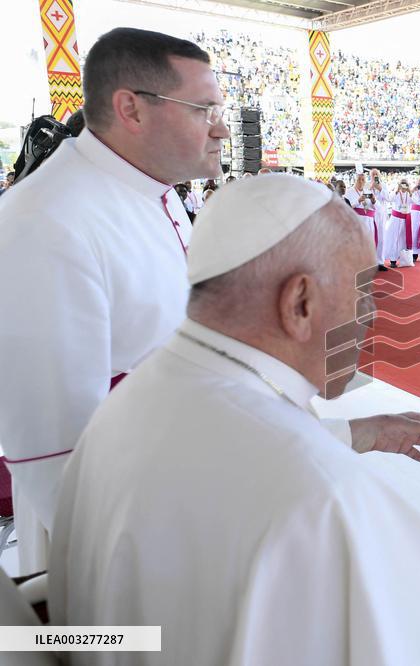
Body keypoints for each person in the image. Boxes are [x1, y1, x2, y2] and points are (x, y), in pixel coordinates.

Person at [49, 174, 420, 665]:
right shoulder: (319, 492)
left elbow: (221, 455)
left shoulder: (142, 390)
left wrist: (358, 431)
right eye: (363, 293)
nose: (373, 315)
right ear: (300, 302)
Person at [0, 27, 230, 573]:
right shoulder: (47, 221)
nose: (221, 128)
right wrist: (153, 567)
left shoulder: (149, 190)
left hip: (180, 489)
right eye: (204, 109)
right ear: (131, 109)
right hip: (125, 537)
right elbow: (58, 452)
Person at [344, 172, 377, 250]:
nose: (361, 181)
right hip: (356, 221)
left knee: (368, 244)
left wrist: (373, 201)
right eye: (359, 179)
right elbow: (346, 207)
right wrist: (358, 201)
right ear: (355, 180)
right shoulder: (349, 192)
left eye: (363, 180)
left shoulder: (368, 192)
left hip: (368, 222)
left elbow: (374, 208)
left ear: (365, 181)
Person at [385, 178, 413, 268]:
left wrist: (410, 190)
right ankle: (393, 259)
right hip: (396, 219)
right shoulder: (396, 193)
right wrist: (397, 189)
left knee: (403, 239)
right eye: (402, 184)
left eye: (405, 184)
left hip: (405, 219)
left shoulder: (409, 194)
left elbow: (415, 201)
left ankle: (404, 259)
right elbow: (388, 199)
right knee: (394, 239)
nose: (404, 186)